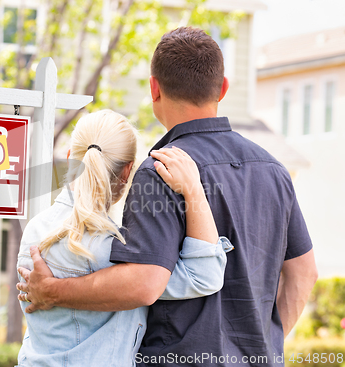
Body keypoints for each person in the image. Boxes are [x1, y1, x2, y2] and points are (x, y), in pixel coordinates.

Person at [17, 27, 318, 366]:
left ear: (153, 88)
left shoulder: (159, 170)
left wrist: (54, 291)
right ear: (223, 89)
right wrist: (263, 348)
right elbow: (304, 272)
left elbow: (143, 282)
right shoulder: (274, 170)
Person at [16, 109, 233, 366]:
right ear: (127, 171)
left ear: (69, 158)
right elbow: (203, 274)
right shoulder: (115, 249)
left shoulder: (35, 229)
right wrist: (193, 189)